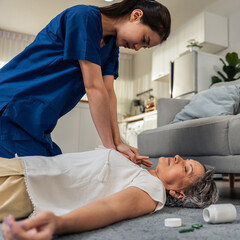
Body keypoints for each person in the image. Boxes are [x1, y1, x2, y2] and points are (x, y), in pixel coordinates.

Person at [0, 0, 171, 164]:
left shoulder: (112, 48)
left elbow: (108, 92)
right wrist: (110, 149)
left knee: (51, 175)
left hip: (36, 121)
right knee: (31, 178)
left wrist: (118, 142)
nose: (137, 47)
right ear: (136, 15)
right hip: (11, 104)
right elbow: (94, 87)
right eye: (144, 39)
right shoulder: (84, 16)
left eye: (144, 47)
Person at [0, 148, 218, 239]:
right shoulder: (141, 173)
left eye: (186, 168)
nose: (178, 157)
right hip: (24, 168)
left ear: (178, 194)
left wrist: (58, 224)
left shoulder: (153, 190)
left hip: (20, 185)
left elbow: (111, 208)